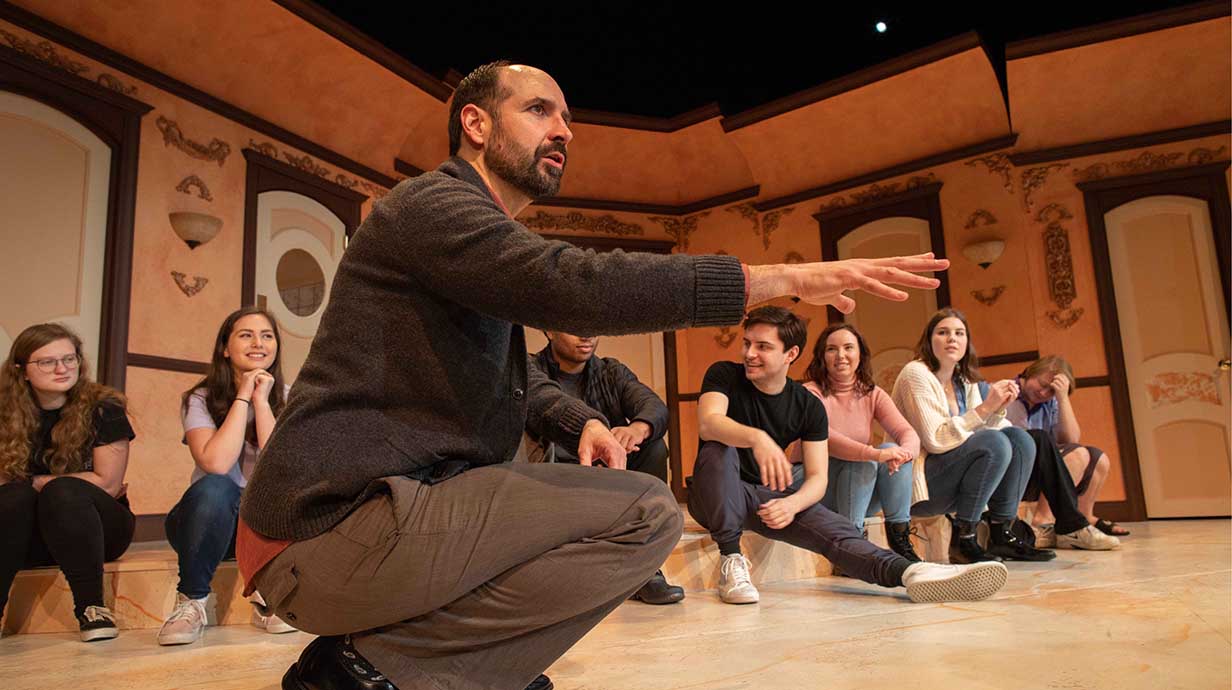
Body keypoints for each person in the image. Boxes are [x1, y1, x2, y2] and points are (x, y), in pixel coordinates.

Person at [238, 61, 951, 690]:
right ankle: (375, 671)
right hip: (324, 532)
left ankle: (440, 667)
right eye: (540, 110)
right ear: (476, 124)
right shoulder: (431, 205)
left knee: (612, 505)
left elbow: (518, 383)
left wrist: (582, 422)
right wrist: (781, 278)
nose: (565, 130)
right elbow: (573, 285)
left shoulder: (468, 241)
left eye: (570, 119)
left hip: (355, 532)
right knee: (643, 513)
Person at [688, 306, 1006, 606]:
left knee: (837, 531)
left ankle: (911, 573)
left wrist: (792, 503)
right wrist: (757, 438)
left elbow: (817, 478)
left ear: (791, 354)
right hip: (714, 493)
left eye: (762, 346)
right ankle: (731, 560)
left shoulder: (805, 404)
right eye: (746, 344)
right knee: (719, 449)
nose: (749, 354)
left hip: (764, 497)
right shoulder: (725, 375)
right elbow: (708, 424)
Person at [157, 307, 297, 645]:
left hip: (260, 525)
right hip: (207, 521)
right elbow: (216, 463)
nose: (258, 343)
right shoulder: (200, 398)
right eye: (245, 335)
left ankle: (268, 598)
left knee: (288, 498)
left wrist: (263, 402)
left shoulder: (291, 396)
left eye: (266, 336)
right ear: (225, 347)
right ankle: (191, 602)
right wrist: (243, 397)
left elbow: (280, 468)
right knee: (216, 487)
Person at [0, 323, 135, 642]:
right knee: (13, 498)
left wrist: (36, 482)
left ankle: (92, 608)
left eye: (69, 358)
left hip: (101, 530)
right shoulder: (4, 413)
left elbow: (108, 484)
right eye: (47, 362)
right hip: (29, 534)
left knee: (62, 491)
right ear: (22, 371)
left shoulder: (105, 408)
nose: (62, 368)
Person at [529, 331, 684, 604]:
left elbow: (654, 406)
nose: (586, 334)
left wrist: (638, 428)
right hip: (555, 478)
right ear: (549, 329)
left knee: (654, 447)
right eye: (574, 326)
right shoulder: (531, 369)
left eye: (593, 325)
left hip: (606, 474)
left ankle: (645, 570)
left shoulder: (611, 372)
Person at [891, 308, 1052, 564]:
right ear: (928, 340)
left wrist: (998, 407)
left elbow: (986, 430)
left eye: (959, 333)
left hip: (953, 474)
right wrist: (986, 408)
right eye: (942, 332)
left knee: (1021, 440)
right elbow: (935, 440)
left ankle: (1002, 532)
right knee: (995, 442)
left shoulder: (964, 380)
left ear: (967, 343)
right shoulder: (916, 374)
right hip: (919, 482)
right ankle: (964, 539)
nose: (951, 339)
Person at [800, 323, 922, 562]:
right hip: (814, 484)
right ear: (822, 357)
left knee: (891, 449)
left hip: (857, 488)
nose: (841, 355)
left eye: (848, 348)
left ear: (860, 354)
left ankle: (900, 541)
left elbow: (907, 432)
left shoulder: (872, 393)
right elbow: (827, 439)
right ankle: (849, 549)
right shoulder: (809, 393)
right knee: (867, 458)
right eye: (831, 349)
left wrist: (904, 453)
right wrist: (874, 455)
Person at [1007, 355, 1128, 540]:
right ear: (1030, 372)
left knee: (1097, 457)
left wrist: (1062, 398)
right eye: (1042, 384)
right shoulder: (1008, 391)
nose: (1043, 393)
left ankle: (1085, 515)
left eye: (1051, 391)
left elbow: (1071, 439)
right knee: (1076, 454)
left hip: (1042, 470)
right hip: (1014, 471)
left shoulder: (1050, 402)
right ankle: (1043, 521)